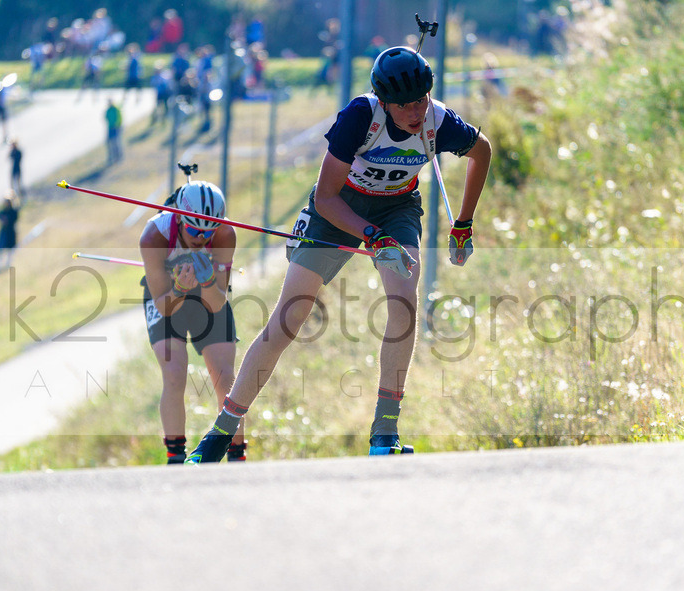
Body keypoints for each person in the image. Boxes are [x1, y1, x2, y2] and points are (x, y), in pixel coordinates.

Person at [188, 46, 491, 464]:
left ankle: (385, 431)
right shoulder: (360, 117)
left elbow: (483, 151)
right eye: (403, 104)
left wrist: (464, 222)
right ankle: (220, 433)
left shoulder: (438, 120)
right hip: (338, 211)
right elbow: (327, 198)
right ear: (384, 101)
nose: (415, 111)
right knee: (289, 317)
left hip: (396, 209)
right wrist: (369, 236)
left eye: (420, 99)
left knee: (404, 300)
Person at [138, 179, 246, 464]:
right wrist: (182, 289)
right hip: (168, 296)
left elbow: (217, 302)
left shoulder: (224, 234)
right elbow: (164, 305)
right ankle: (176, 457)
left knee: (225, 378)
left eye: (208, 231)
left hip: (209, 294)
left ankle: (236, 454)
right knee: (174, 374)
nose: (201, 238)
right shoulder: (154, 237)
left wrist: (209, 280)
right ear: (179, 218)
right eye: (194, 230)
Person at [0, 191, 19, 269]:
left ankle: (8, 263)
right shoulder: (3, 211)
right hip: (4, 232)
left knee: (10, 250)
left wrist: (7, 220)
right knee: (0, 249)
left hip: (10, 232)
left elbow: (14, 220)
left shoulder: (13, 211)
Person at [104, 98, 122, 164]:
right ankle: (111, 157)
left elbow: (119, 118)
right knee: (109, 143)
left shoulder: (116, 109)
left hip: (116, 128)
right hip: (110, 128)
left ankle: (118, 157)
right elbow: (106, 117)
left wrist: (117, 125)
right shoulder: (108, 110)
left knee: (116, 143)